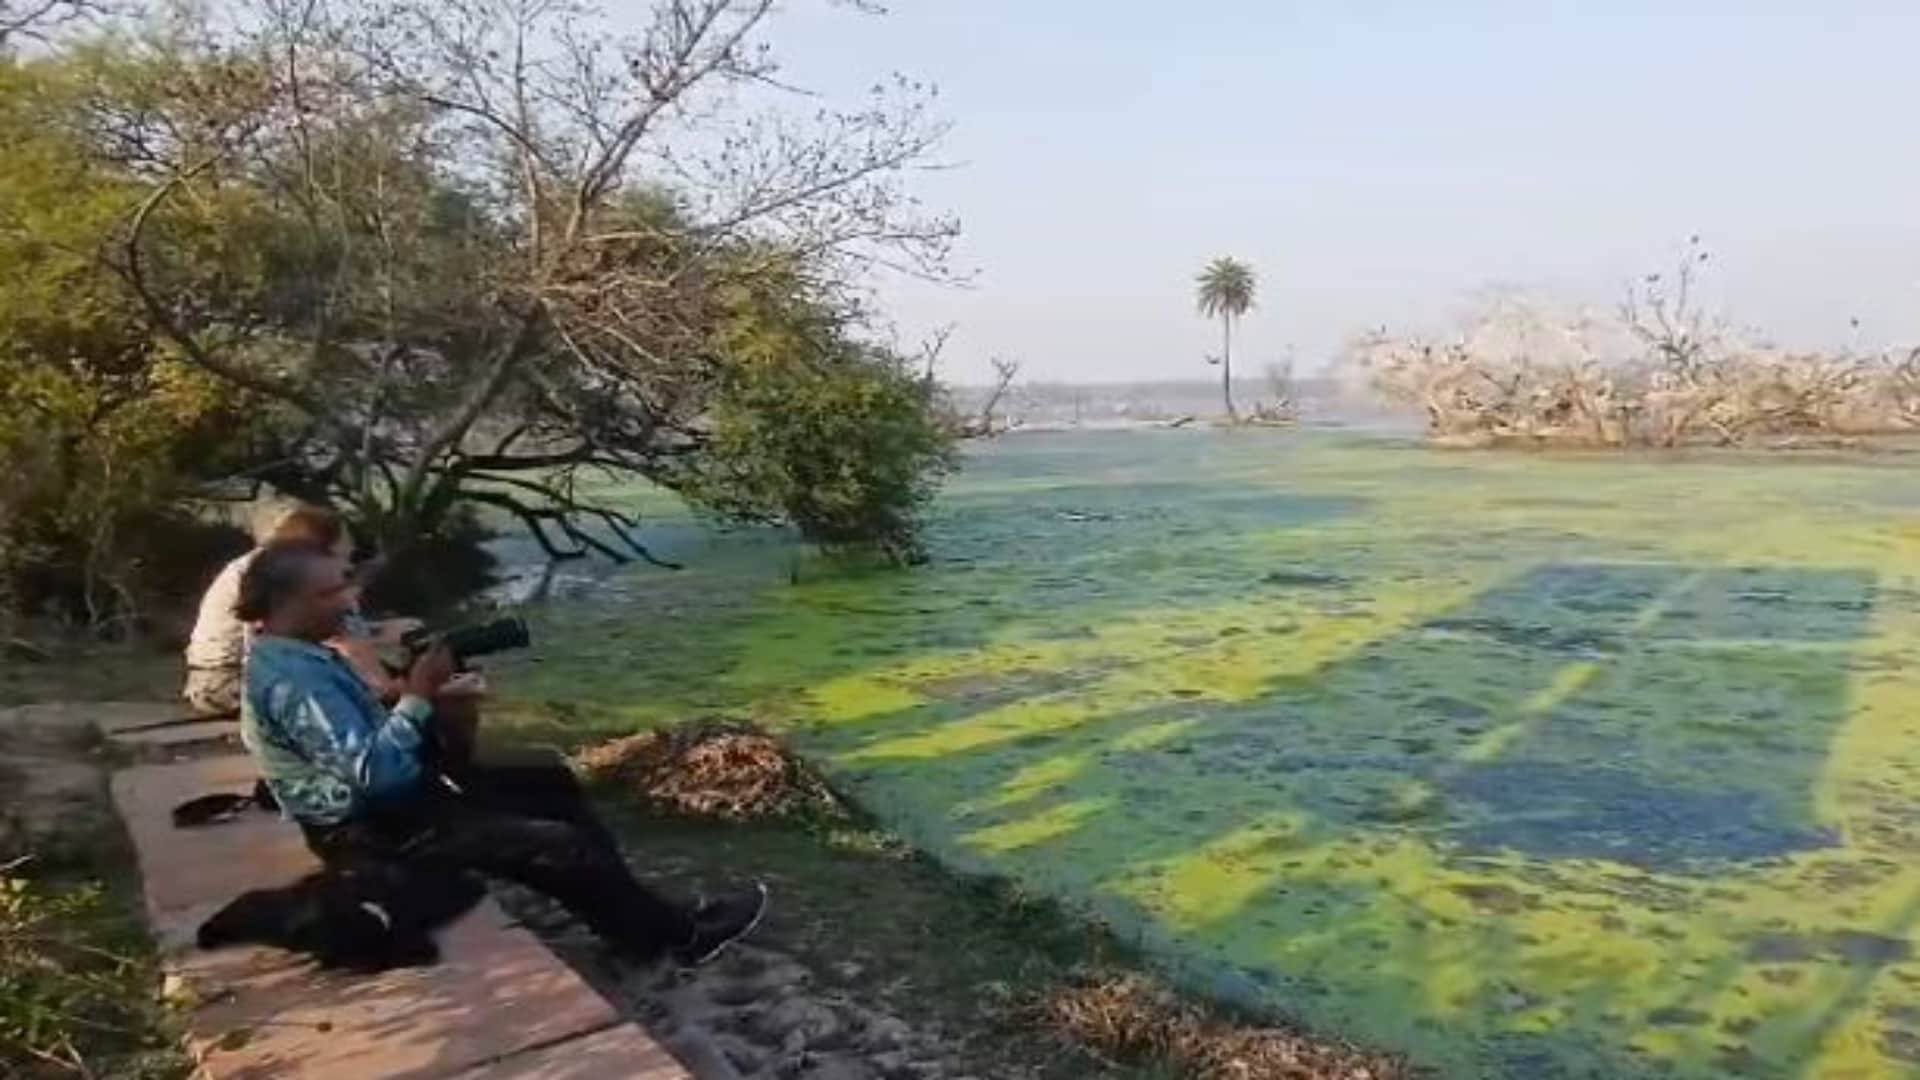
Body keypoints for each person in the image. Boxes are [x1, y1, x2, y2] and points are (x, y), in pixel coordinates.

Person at [233, 541, 767, 965]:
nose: (349, 601)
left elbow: (367, 734)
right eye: (332, 593)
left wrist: (426, 687)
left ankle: (636, 919)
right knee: (559, 845)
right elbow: (377, 777)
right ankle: (678, 939)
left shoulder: (295, 651)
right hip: (371, 829)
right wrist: (420, 692)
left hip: (400, 801)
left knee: (548, 783)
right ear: (285, 603)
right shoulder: (294, 680)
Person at [183, 504, 418, 714]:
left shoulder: (270, 564)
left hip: (219, 679)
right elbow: (343, 640)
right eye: (343, 549)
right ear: (318, 546)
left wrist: (381, 632)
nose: (349, 557)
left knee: (395, 635)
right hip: (226, 684)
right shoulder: (285, 574)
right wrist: (385, 689)